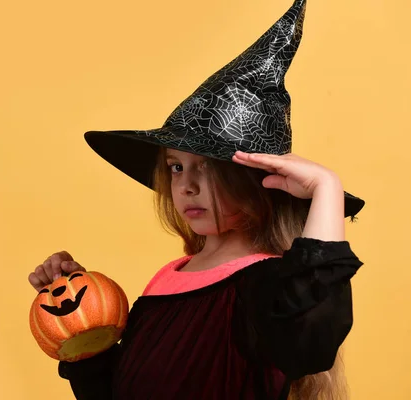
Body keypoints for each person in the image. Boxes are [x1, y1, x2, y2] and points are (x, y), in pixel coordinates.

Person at [27, 0, 365, 399]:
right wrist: (85, 321)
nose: (186, 185)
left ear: (263, 180)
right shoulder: (168, 279)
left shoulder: (267, 286)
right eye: (176, 167)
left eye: (209, 167)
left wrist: (326, 189)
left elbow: (312, 342)